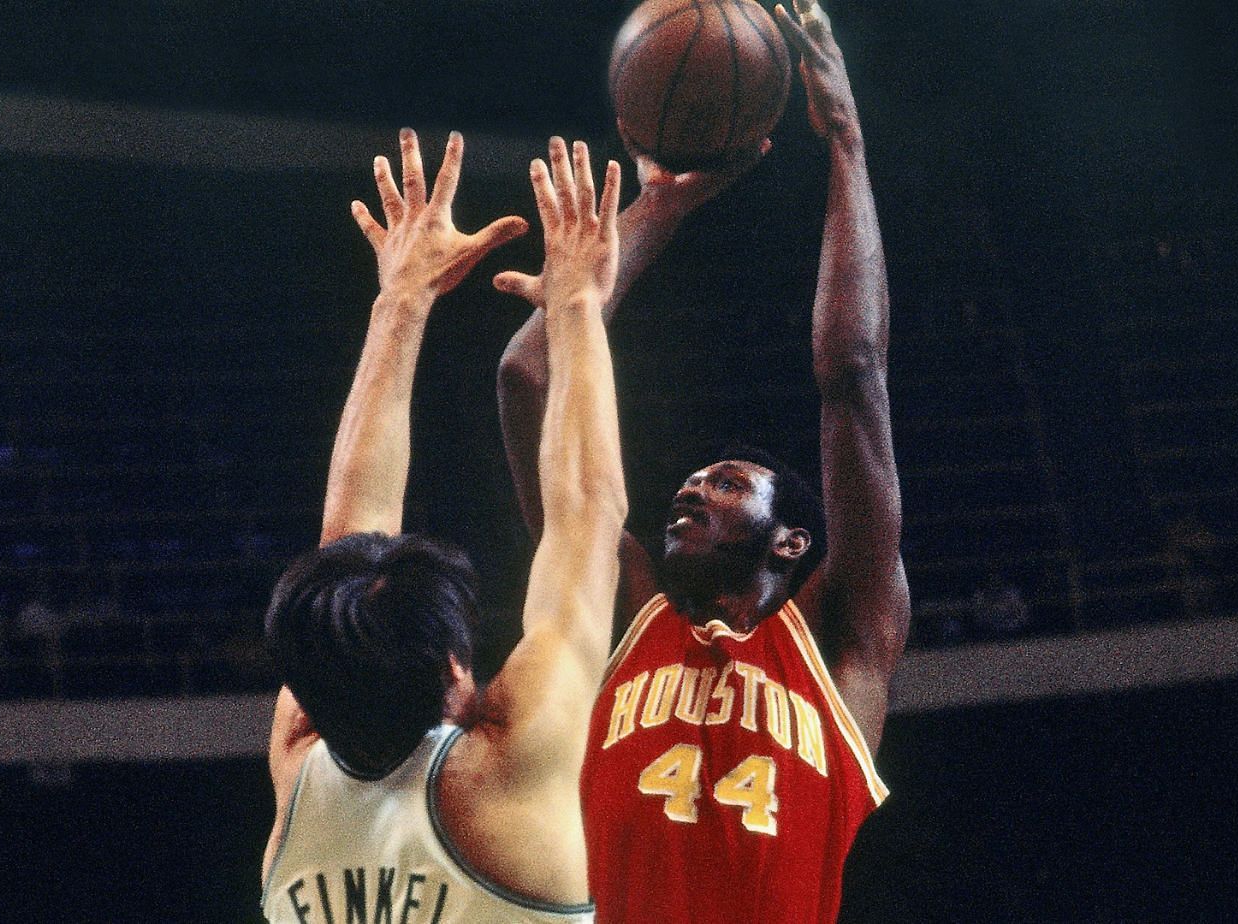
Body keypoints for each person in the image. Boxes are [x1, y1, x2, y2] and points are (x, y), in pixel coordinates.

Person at [493, 3, 908, 921]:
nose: (689, 487)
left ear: (793, 541)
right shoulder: (624, 611)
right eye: (695, 479)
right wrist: (662, 205)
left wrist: (845, 140)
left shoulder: (842, 645)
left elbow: (852, 374)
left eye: (725, 484)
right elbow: (527, 375)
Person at [261, 129, 626, 924]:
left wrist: (403, 300)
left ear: (306, 701)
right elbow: (586, 510)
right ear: (457, 672)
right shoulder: (504, 776)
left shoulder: (298, 772)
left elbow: (347, 544)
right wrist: (573, 302)